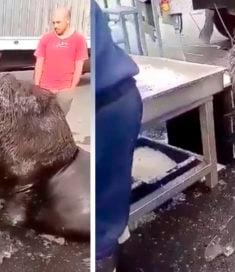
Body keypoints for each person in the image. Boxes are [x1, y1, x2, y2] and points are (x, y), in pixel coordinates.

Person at [94, 1, 143, 271]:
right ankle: (120, 245)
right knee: (114, 184)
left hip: (108, 106)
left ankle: (107, 256)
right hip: (123, 98)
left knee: (103, 211)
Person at [33, 7, 88, 115]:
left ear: (67, 21)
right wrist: (36, 86)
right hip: (45, 89)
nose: (55, 26)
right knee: (42, 122)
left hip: (64, 90)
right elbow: (39, 63)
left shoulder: (79, 40)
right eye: (53, 23)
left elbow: (79, 67)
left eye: (58, 22)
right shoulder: (46, 38)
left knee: (58, 122)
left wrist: (71, 88)